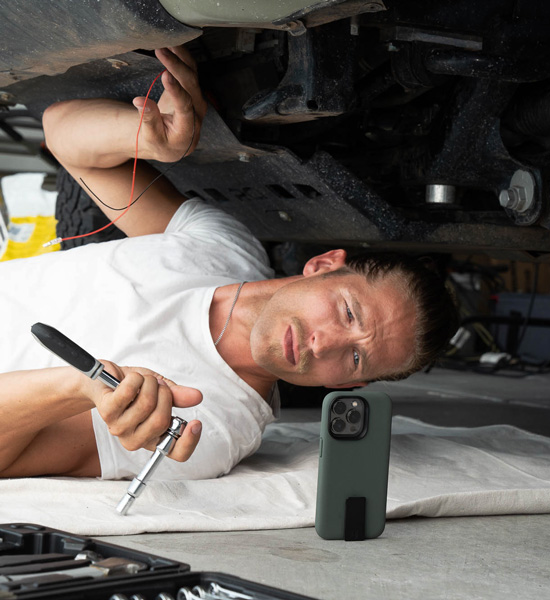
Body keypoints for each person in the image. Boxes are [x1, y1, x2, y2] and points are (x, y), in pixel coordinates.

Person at [0, 47, 458, 481]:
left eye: (356, 359)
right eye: (348, 312)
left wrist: (76, 387)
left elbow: (9, 456)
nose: (325, 345)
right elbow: (61, 132)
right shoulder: (224, 248)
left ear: (348, 387)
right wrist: (147, 138)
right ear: (322, 265)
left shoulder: (208, 430)